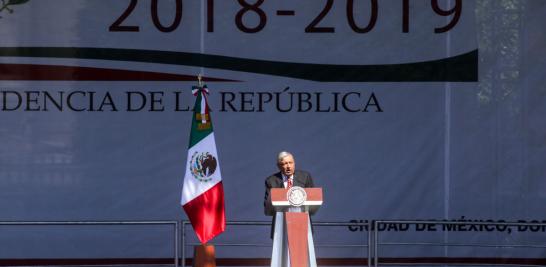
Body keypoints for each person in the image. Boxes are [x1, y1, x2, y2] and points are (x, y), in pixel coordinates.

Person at [264, 151, 315, 237]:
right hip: (280, 225)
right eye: (284, 164)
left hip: (301, 223)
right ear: (279, 166)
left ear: (294, 163)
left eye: (290, 163)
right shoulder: (271, 181)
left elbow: (313, 198)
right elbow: (267, 205)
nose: (288, 166)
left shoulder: (305, 176)